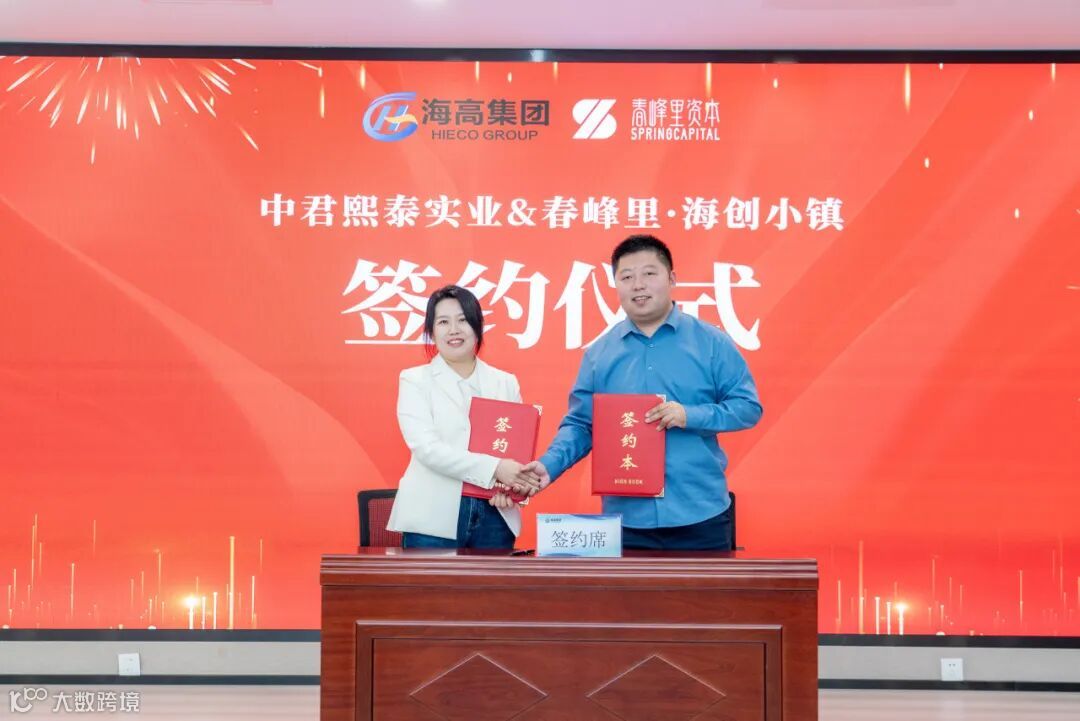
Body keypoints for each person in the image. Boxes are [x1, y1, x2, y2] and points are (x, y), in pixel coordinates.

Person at [519, 235, 762, 550]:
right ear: (616, 285)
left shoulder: (711, 342)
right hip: (627, 519)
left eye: (649, 273)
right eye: (626, 277)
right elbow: (581, 425)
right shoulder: (599, 354)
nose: (638, 285)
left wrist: (689, 415)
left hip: (701, 513)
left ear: (671, 278)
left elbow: (747, 407)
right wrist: (549, 465)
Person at [386, 285, 539, 548]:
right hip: (431, 518)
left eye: (463, 320)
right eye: (443, 322)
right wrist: (495, 469)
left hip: (495, 515)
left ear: (477, 326)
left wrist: (510, 490)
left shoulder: (505, 382)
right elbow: (427, 449)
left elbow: (513, 450)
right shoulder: (414, 380)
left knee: (492, 578)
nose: (454, 330)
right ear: (431, 331)